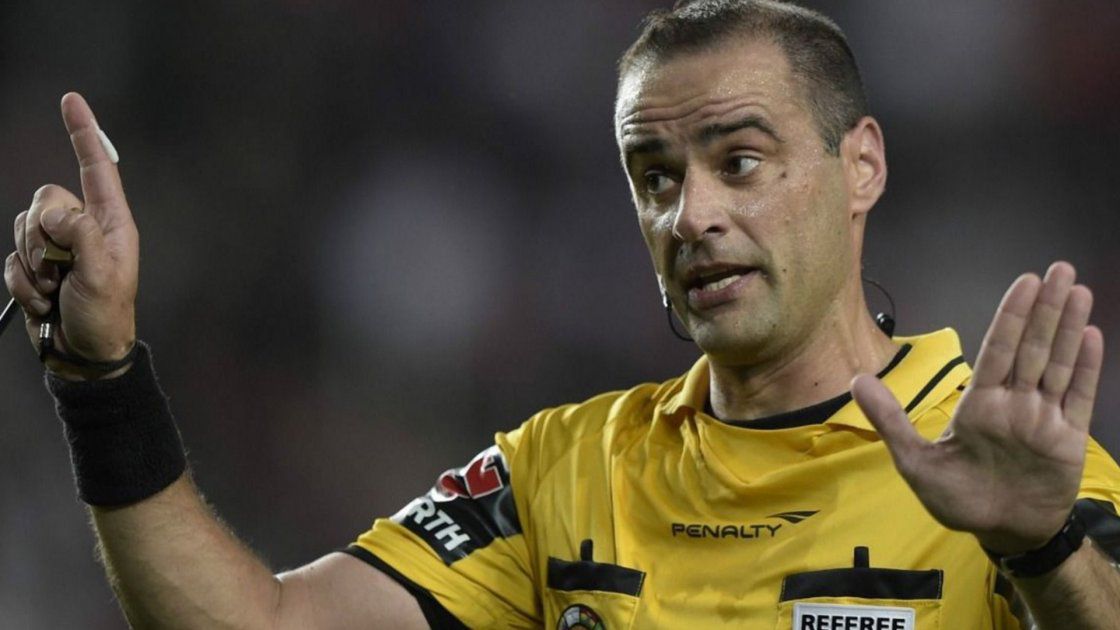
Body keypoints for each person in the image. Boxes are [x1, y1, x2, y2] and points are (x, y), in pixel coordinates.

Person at [5, 1, 1120, 627]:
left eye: (739, 161)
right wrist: (101, 381)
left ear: (859, 164)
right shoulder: (564, 469)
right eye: (654, 177)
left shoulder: (998, 465)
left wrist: (1043, 547)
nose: (691, 215)